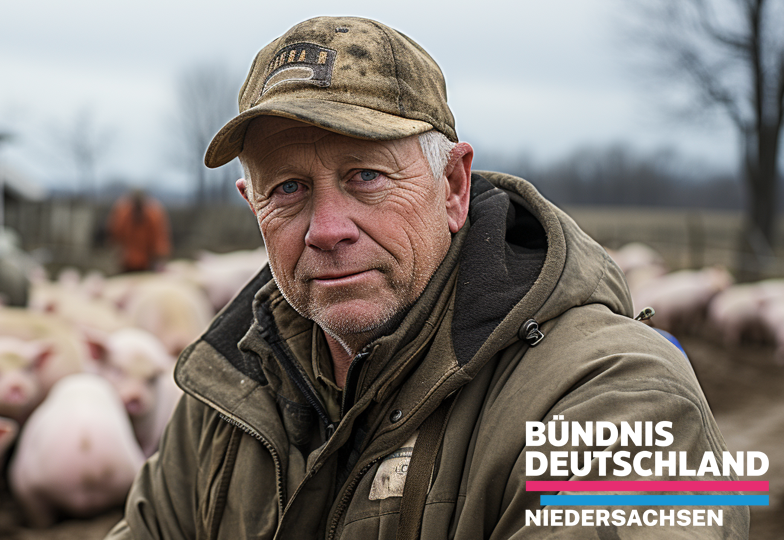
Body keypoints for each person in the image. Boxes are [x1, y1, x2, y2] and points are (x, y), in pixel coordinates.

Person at [107, 16, 748, 539]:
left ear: (453, 187)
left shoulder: (618, 399)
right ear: (254, 208)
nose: (327, 228)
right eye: (290, 188)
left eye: (366, 176)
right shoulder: (228, 397)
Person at [108, 188, 172, 273]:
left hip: (147, 261)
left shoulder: (154, 214)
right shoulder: (123, 213)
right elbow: (115, 234)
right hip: (127, 261)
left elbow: (160, 238)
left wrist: (159, 257)